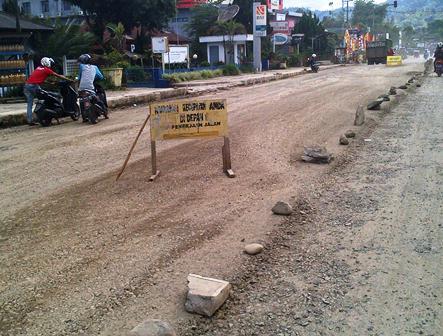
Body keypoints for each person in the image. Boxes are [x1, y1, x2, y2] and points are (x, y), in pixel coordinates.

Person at [24, 57, 71, 126]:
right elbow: (58, 75)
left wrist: (50, 83)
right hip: (34, 86)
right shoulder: (46, 69)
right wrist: (68, 80)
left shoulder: (38, 68)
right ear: (48, 63)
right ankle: (50, 112)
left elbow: (39, 80)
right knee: (48, 96)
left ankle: (30, 120)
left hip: (27, 86)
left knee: (30, 104)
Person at [77, 54, 106, 121]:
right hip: (90, 87)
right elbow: (101, 77)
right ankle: (102, 110)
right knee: (96, 98)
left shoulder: (81, 67)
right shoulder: (95, 67)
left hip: (81, 88)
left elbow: (79, 77)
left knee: (81, 100)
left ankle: (84, 118)